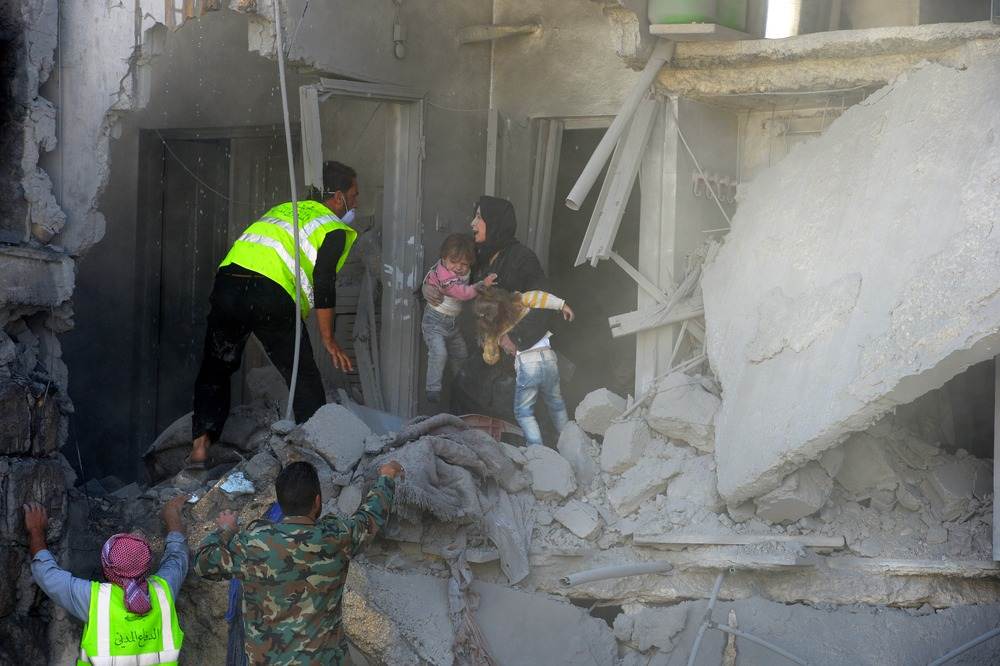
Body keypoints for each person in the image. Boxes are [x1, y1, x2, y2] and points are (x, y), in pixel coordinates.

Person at [189, 161, 359, 469]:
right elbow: (323, 282)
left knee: (216, 368)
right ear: (338, 197)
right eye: (354, 195)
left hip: (228, 283)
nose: (356, 203)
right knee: (302, 374)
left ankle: (200, 449)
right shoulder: (332, 227)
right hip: (270, 292)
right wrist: (328, 337)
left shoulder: (286, 209)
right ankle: (316, 456)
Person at [194, 459, 403, 665]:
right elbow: (371, 515)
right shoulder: (337, 536)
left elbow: (203, 564)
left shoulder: (253, 544)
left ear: (281, 503)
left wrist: (226, 529)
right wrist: (387, 476)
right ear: (318, 501)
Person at [423, 196, 554, 420]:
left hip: (511, 358)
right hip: (481, 352)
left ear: (495, 222)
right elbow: (443, 274)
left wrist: (516, 337)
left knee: (504, 412)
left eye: (479, 217)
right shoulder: (477, 255)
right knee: (464, 395)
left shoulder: (522, 259)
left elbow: (544, 302)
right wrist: (425, 288)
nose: (473, 223)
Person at [24, 494, 191, 664]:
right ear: (148, 568)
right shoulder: (164, 591)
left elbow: (46, 573)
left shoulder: (94, 600)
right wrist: (171, 513)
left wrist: (36, 530)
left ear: (105, 569)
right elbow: (177, 556)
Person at [475, 287, 574, 446]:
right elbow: (541, 296)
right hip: (548, 357)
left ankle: (536, 448)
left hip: (527, 362)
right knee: (556, 401)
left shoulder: (494, 330)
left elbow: (491, 357)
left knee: (524, 413)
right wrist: (562, 305)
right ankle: (570, 438)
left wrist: (491, 344)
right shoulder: (522, 299)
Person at [421, 233, 497, 403]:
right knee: (439, 353)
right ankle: (432, 389)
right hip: (434, 321)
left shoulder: (465, 270)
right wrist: (482, 285)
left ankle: (461, 384)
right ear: (443, 257)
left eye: (464, 264)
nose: (458, 268)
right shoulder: (444, 274)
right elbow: (462, 293)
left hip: (453, 324)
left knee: (461, 354)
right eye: (453, 262)